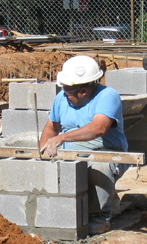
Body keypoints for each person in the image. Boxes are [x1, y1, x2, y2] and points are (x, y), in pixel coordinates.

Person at [39, 55, 128, 220]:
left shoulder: (107, 96)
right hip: (71, 156)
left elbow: (98, 128)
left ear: (83, 91)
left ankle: (99, 217)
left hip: (106, 153)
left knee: (98, 167)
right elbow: (51, 127)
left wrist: (62, 138)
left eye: (67, 91)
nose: (64, 95)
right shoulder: (62, 98)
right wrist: (40, 156)